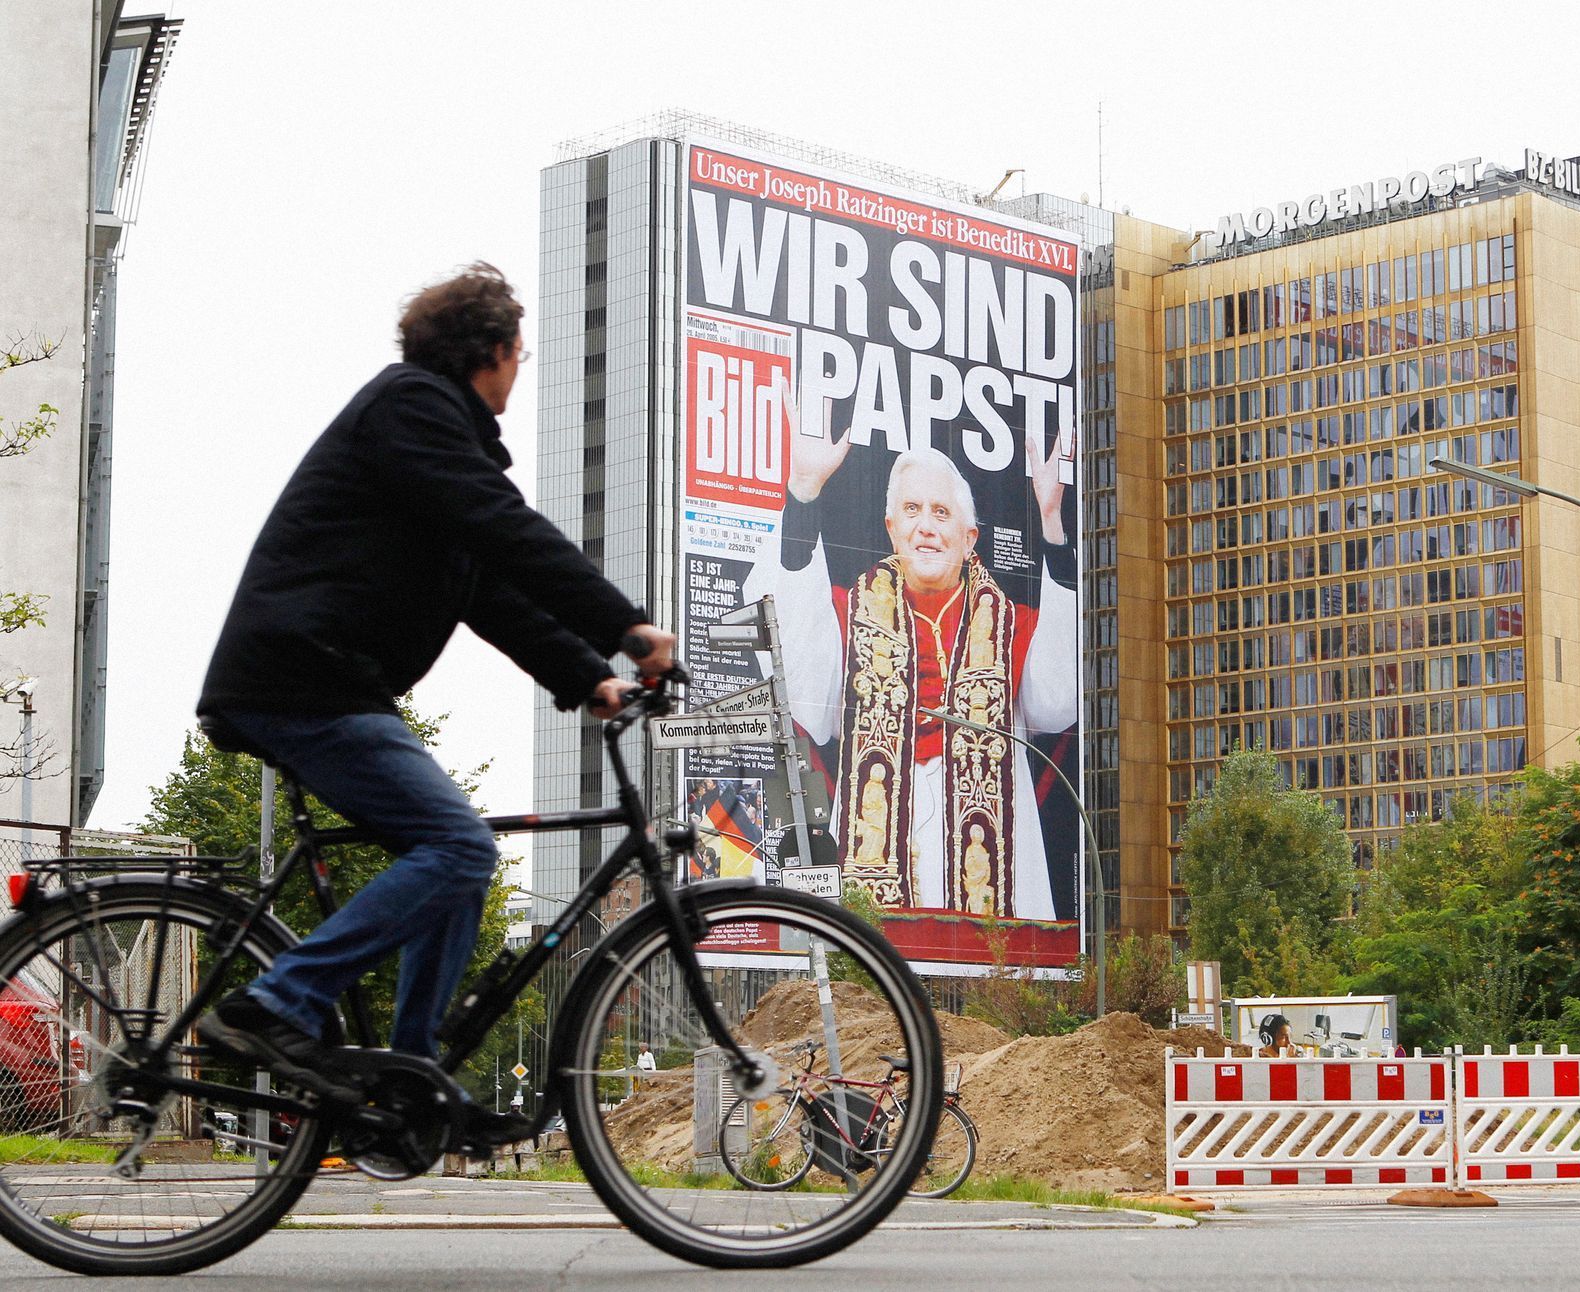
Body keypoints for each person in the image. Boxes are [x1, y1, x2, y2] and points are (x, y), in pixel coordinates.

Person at [194, 263, 673, 1149]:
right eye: (519, 356)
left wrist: (589, 674)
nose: (518, 372)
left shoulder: (430, 436)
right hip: (300, 678)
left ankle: (410, 1094)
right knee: (456, 844)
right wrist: (629, 627)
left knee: (456, 854)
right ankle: (277, 998)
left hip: (323, 677)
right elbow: (503, 528)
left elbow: (486, 588)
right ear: (492, 354)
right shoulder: (412, 412)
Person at [744, 439, 1076, 920]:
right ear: (892, 530)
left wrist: (1052, 525)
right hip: (878, 829)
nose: (926, 527)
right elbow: (809, 700)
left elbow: (1056, 703)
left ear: (969, 538)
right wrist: (804, 492)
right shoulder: (849, 613)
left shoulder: (1009, 625)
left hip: (993, 843)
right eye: (912, 510)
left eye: (941, 513)